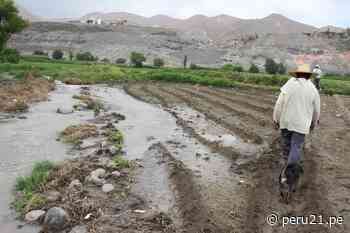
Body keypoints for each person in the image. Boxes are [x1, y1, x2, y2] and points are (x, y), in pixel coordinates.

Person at [273, 64, 320, 166]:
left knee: (286, 145)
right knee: (296, 146)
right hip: (301, 124)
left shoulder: (289, 85)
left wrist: (276, 119)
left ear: (297, 75)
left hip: (286, 122)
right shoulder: (313, 89)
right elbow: (316, 110)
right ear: (308, 76)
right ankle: (291, 170)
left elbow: (279, 104)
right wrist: (313, 123)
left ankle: (286, 166)